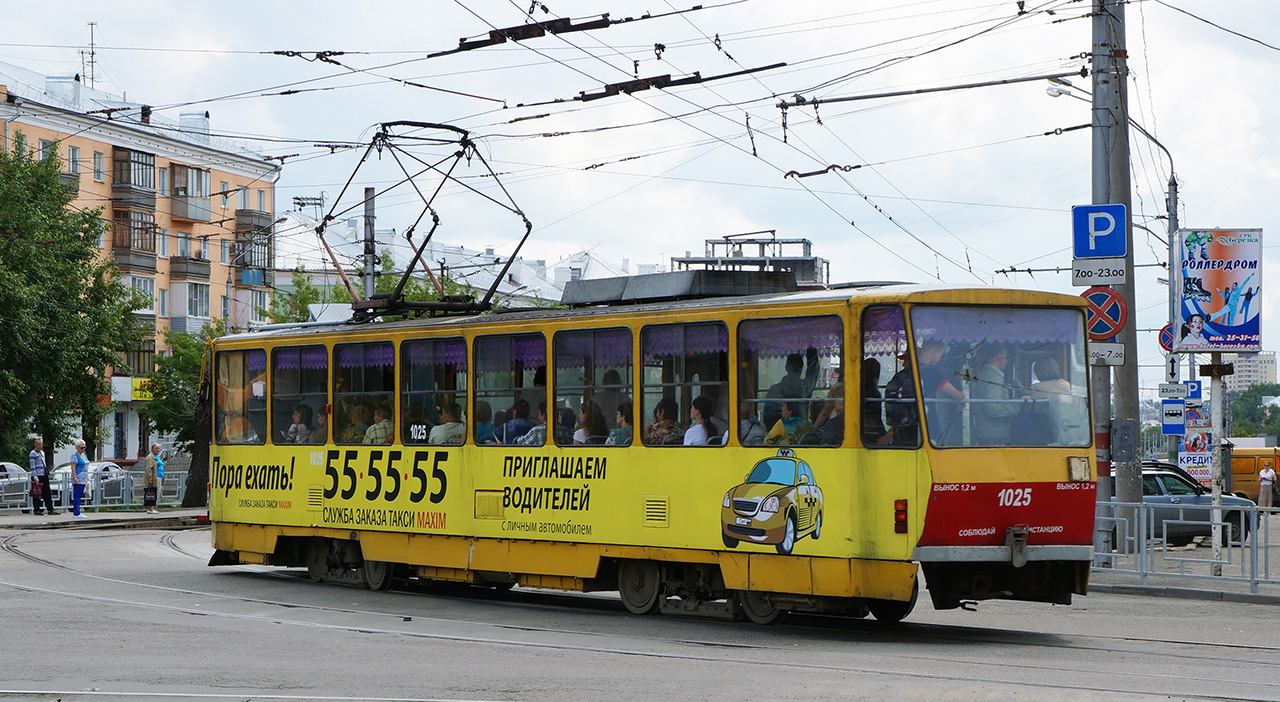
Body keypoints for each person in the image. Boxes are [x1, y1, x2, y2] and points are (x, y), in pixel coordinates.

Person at [969, 343, 1022, 446]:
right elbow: (993, 409)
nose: (1007, 361)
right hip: (995, 435)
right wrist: (1019, 405)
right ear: (999, 357)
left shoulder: (983, 374)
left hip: (986, 432)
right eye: (1006, 357)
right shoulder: (993, 378)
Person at [1029, 358, 1085, 444]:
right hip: (1064, 424)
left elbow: (1033, 408)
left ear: (1039, 372)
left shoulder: (1037, 387)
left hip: (1045, 426)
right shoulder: (1065, 384)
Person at [860, 358, 888, 445]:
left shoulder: (867, 391)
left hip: (867, 430)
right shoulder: (873, 392)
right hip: (869, 430)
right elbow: (875, 417)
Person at [29, 437, 56, 515]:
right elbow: (33, 466)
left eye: (41, 444)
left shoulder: (42, 453)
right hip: (38, 475)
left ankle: (50, 508)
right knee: (37, 493)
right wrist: (35, 477)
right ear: (35, 444)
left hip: (44, 474)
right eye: (38, 444)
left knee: (46, 492)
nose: (40, 445)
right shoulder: (33, 453)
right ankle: (37, 509)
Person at [70, 439, 89, 519]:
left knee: (80, 494)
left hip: (84, 477)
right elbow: (73, 467)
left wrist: (87, 477)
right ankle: (76, 513)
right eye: (81, 448)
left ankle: (78, 511)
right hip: (78, 476)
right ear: (77, 448)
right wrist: (75, 478)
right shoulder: (74, 455)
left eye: (84, 447)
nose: (83, 449)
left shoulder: (84, 454)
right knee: (77, 495)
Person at [143, 442, 163, 514]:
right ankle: (150, 508)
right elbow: (149, 469)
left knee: (156, 492)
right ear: (153, 449)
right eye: (156, 448)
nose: (158, 450)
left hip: (159, 476)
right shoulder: (150, 457)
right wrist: (150, 478)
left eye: (159, 448)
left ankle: (152, 508)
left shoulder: (157, 457)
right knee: (152, 493)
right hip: (154, 478)